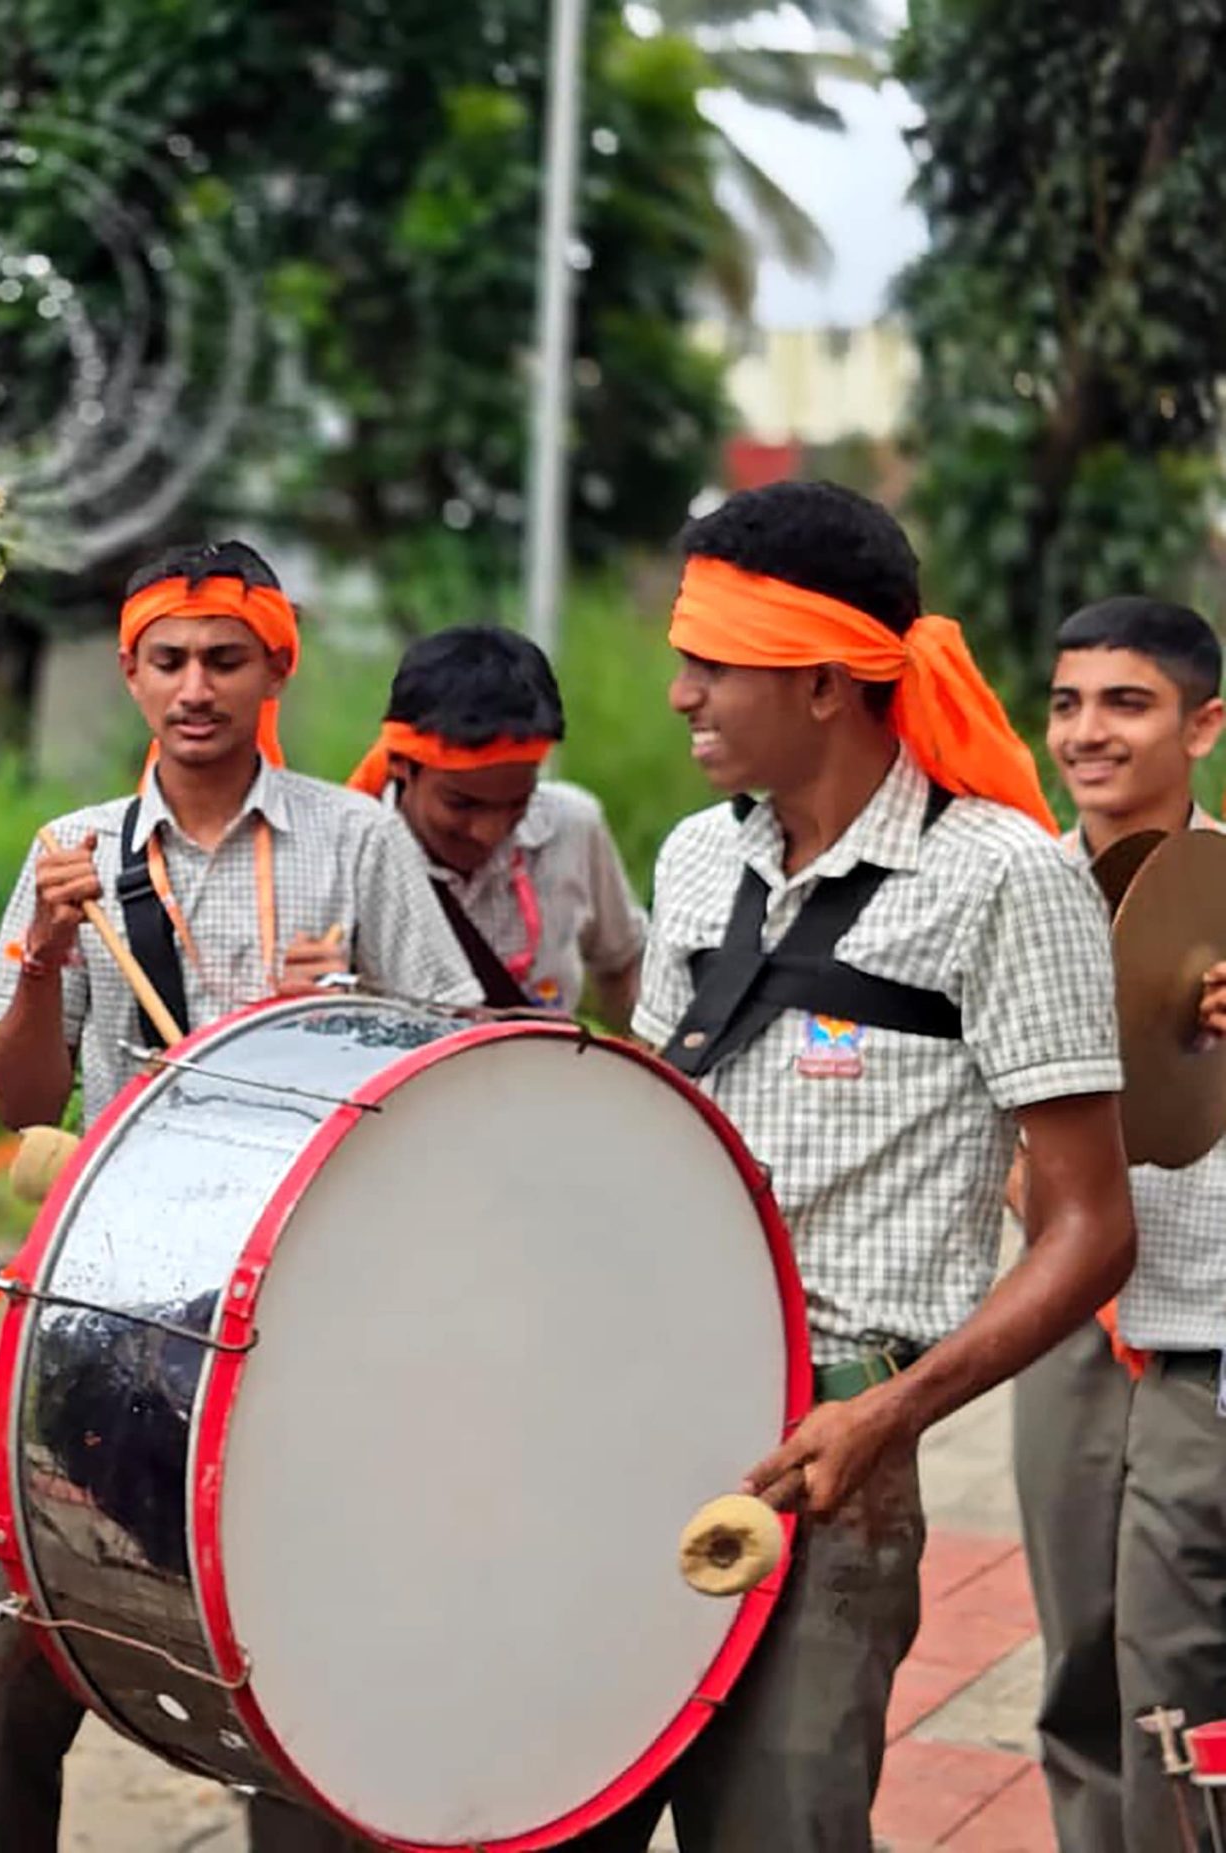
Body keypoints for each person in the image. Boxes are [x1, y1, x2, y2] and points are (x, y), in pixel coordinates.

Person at [593, 481, 1137, 1852]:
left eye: (711, 662)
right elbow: (661, 1135)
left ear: (826, 680)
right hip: (633, 1421)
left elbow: (1088, 1229)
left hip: (830, 1463)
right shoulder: (697, 859)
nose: (679, 695)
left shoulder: (1006, 876)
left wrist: (891, 1417)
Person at [0, 538, 482, 1852]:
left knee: (289, 1645)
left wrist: (353, 1012)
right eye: (169, 660)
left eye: (225, 659)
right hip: (116, 1284)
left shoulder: (355, 840)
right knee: (6, 1643)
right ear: (132, 674)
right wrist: (45, 961)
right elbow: (24, 1105)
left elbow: (452, 1070)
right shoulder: (72, 851)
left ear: (274, 670)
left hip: (308, 1292)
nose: (196, 686)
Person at [1017, 597, 1226, 1849]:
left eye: (1126, 702)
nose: (1088, 733)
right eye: (1065, 702)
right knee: (1074, 1669)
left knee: (1175, 1675)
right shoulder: (1014, 889)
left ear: (1204, 722)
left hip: (1204, 1326)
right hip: (1062, 1322)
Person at [346, 623, 644, 1022]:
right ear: (401, 765)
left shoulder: (574, 826)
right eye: (461, 804)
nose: (489, 832)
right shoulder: (346, 857)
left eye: (517, 803)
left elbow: (625, 963)